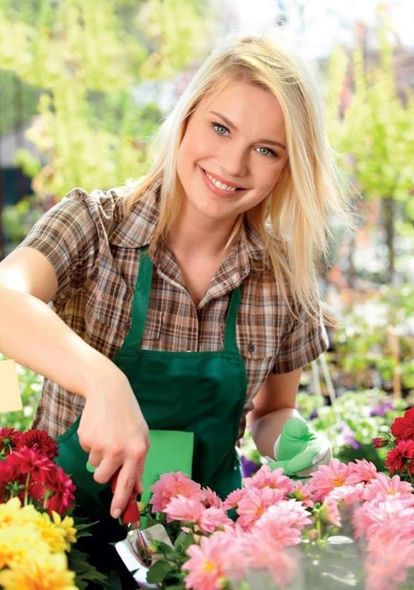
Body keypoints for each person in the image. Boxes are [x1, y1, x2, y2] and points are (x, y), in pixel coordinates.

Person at [0, 33, 344, 583]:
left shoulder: (281, 279)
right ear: (186, 118)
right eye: (220, 127)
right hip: (62, 537)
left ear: (287, 167)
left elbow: (271, 412)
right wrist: (103, 382)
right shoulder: (93, 226)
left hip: (200, 549)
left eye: (266, 149)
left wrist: (300, 446)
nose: (232, 163)